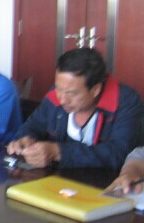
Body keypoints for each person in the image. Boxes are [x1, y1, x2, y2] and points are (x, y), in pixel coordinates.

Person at [7, 48, 142, 170]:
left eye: (72, 93)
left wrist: (59, 152)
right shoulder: (55, 94)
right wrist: (25, 140)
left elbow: (119, 153)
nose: (62, 99)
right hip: (55, 179)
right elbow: (33, 125)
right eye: (59, 88)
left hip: (103, 182)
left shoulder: (125, 101)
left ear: (95, 90)